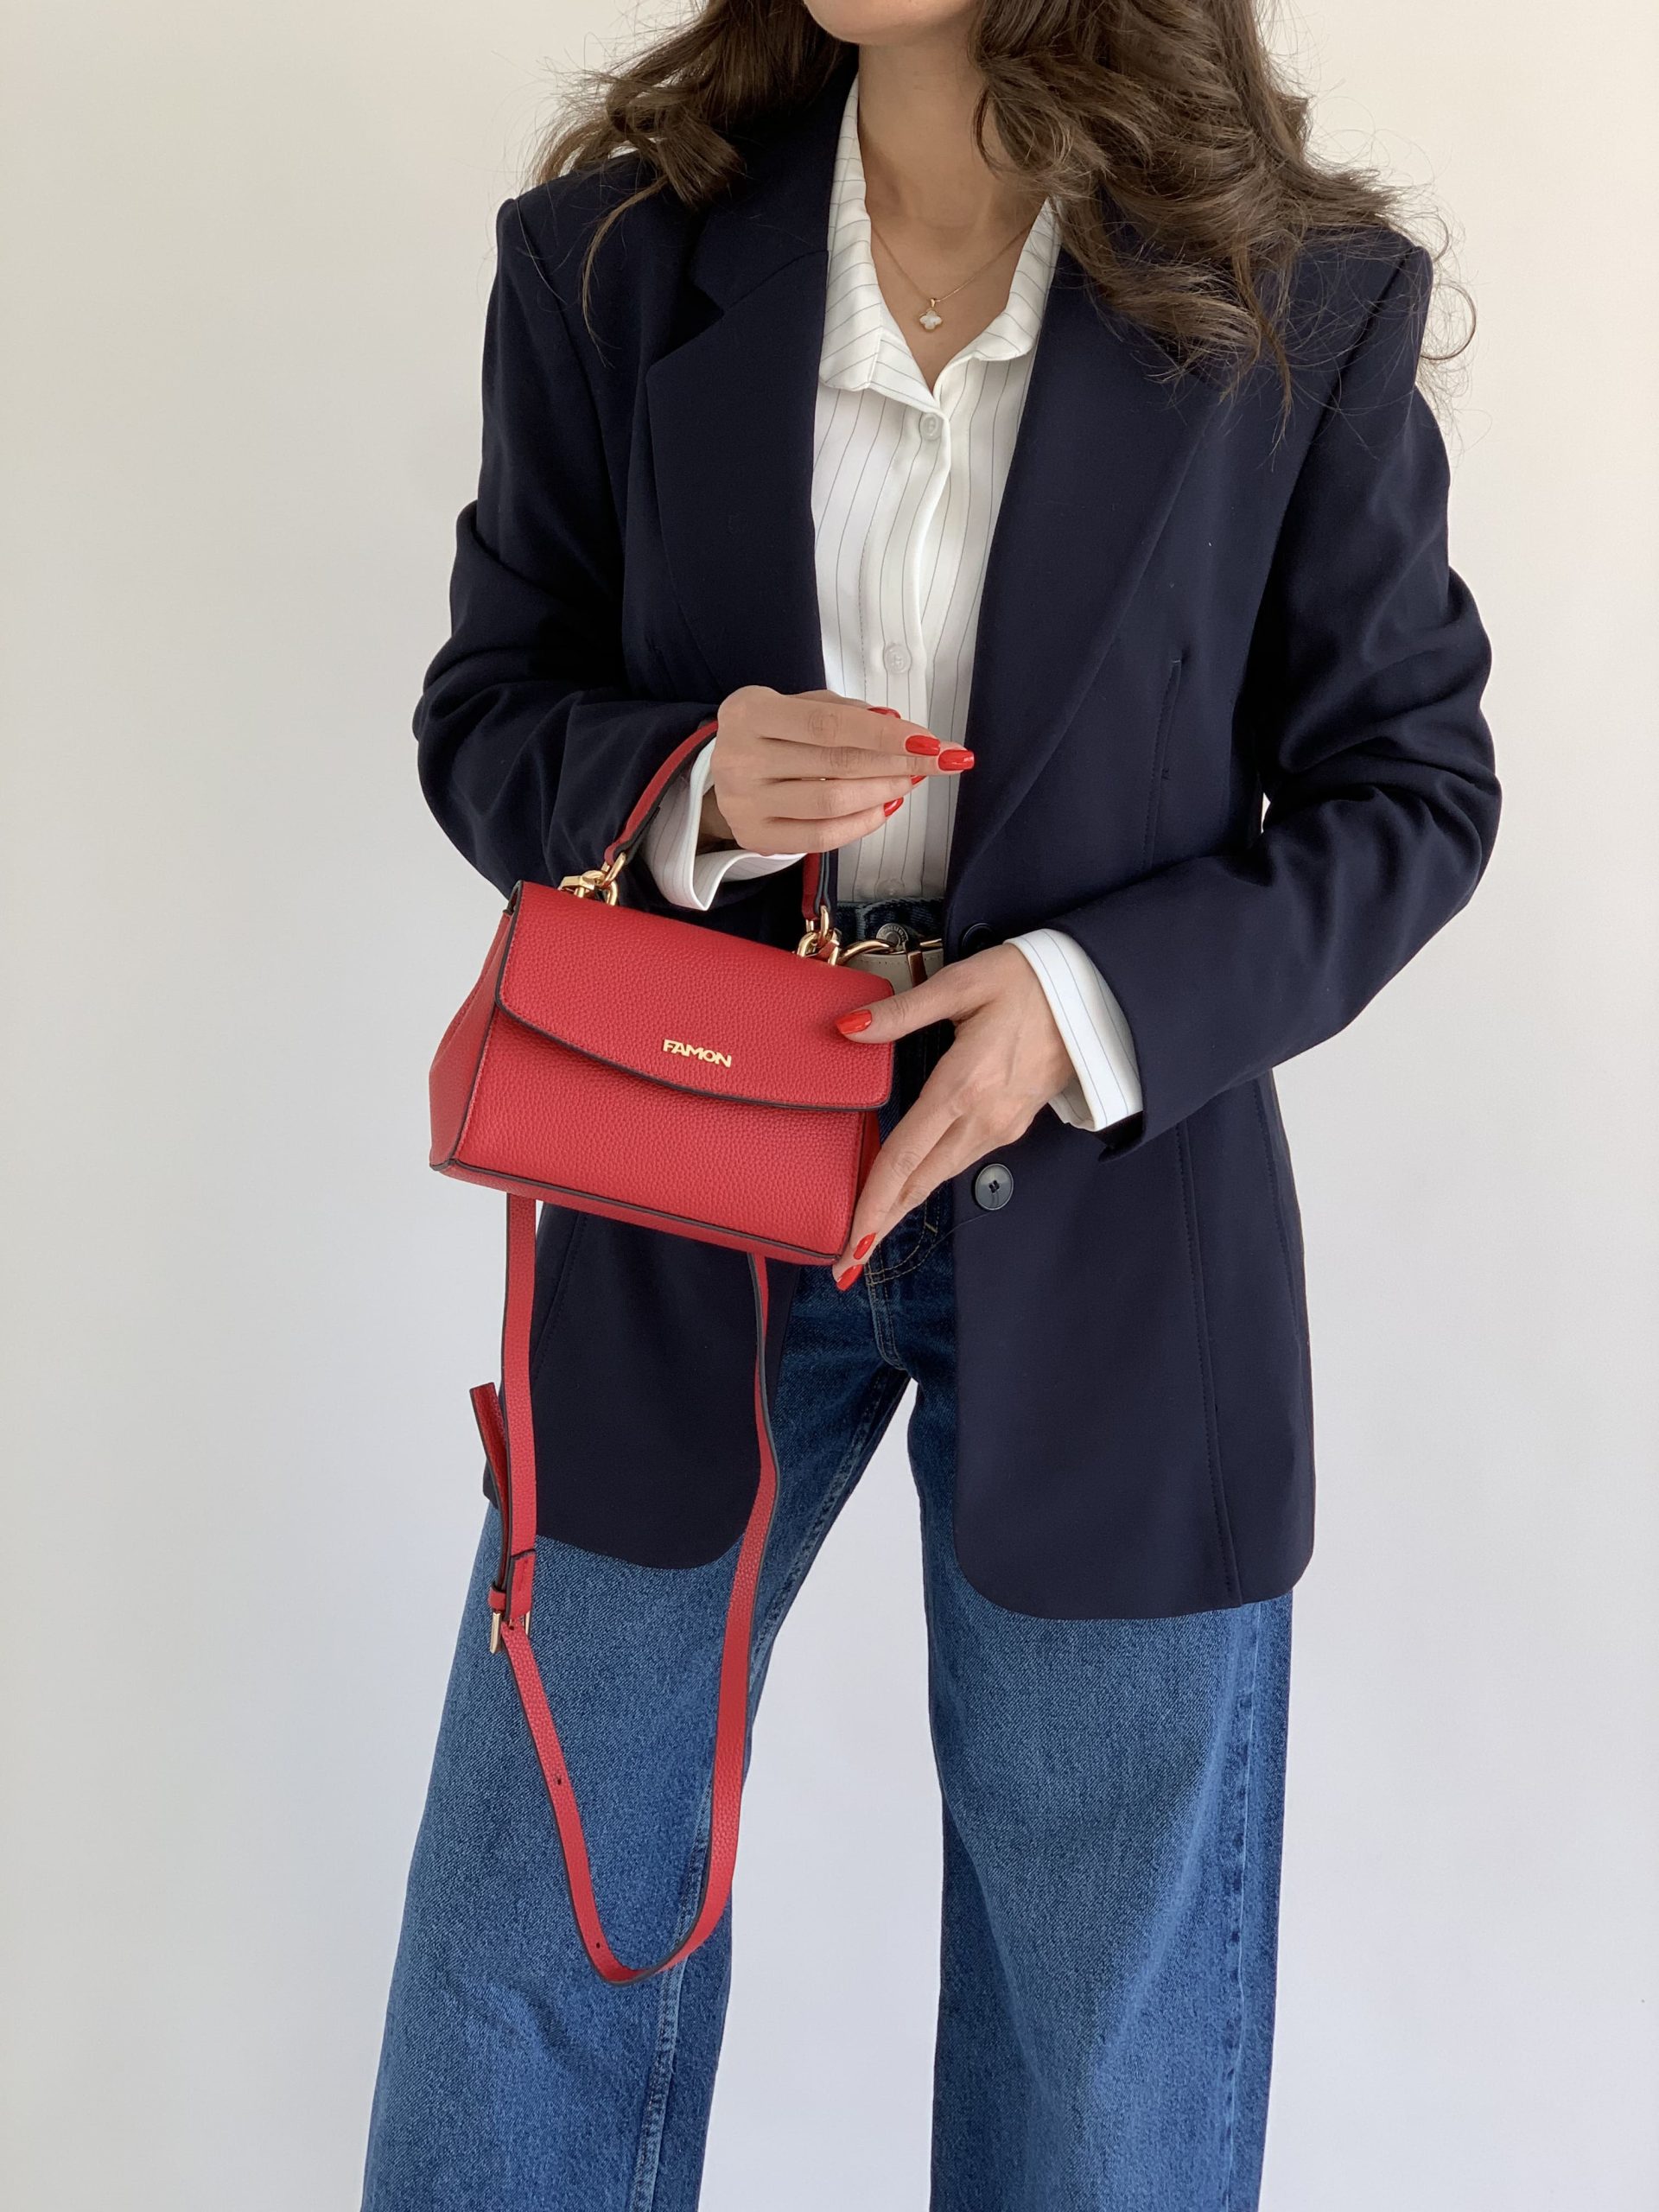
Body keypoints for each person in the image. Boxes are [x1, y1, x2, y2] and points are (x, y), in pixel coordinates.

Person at [363, 4, 1498, 2204]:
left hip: (1111, 1220)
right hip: (681, 1184)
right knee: (528, 1932)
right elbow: (490, 712)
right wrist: (683, 783)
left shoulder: (1298, 298)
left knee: (1101, 2051)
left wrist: (1077, 1009)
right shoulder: (611, 261)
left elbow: (1409, 792)